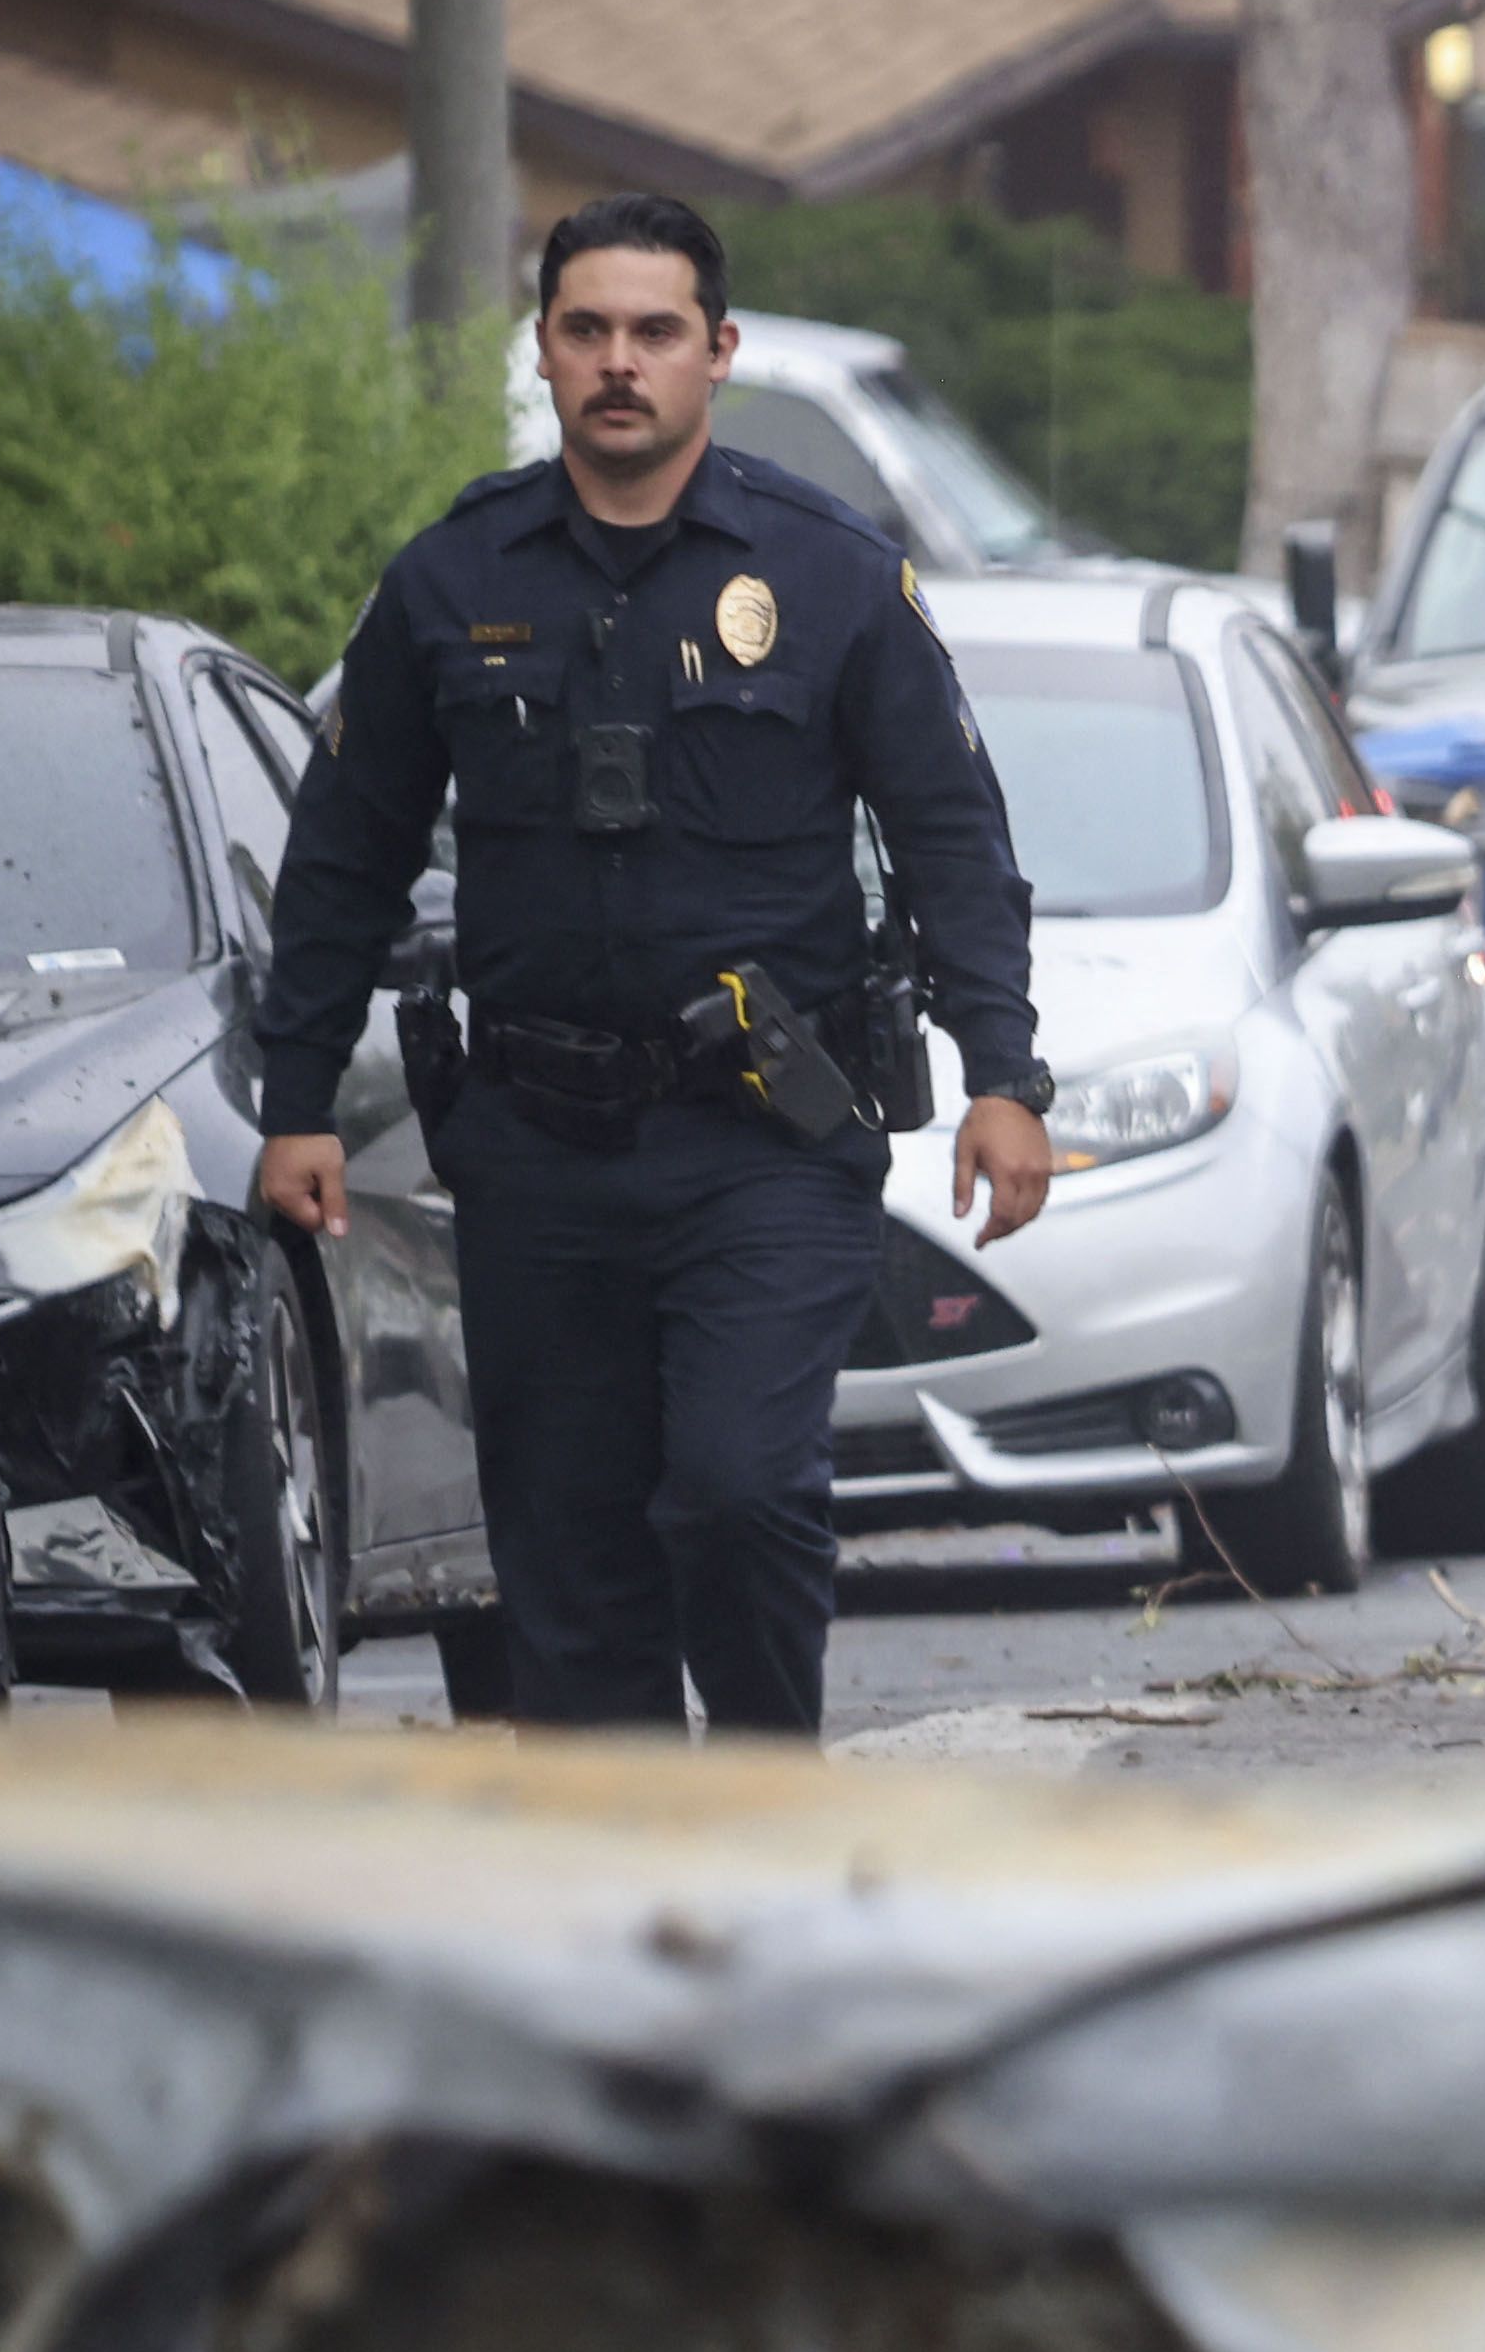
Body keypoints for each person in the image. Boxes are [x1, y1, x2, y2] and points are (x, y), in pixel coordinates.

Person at [249, 187, 1047, 1735]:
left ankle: (758, 1798)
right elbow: (342, 856)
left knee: (743, 1490)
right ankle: (618, 1899)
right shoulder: (451, 583)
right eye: (588, 330)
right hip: (537, 1147)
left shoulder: (826, 579)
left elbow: (955, 841)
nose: (623, 362)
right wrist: (297, 1098)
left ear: (719, 353)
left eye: (657, 332)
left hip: (766, 1136)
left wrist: (1004, 1078)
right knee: (569, 1559)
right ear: (542, 354)